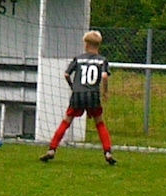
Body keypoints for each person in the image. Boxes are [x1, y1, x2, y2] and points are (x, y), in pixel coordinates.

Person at [40, 30, 117, 165]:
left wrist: (73, 87)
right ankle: (107, 152)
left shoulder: (78, 58)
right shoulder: (102, 60)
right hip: (93, 95)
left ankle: (52, 149)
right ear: (99, 45)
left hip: (77, 94)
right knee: (99, 123)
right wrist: (105, 92)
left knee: (66, 121)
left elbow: (66, 74)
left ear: (86, 44)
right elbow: (104, 76)